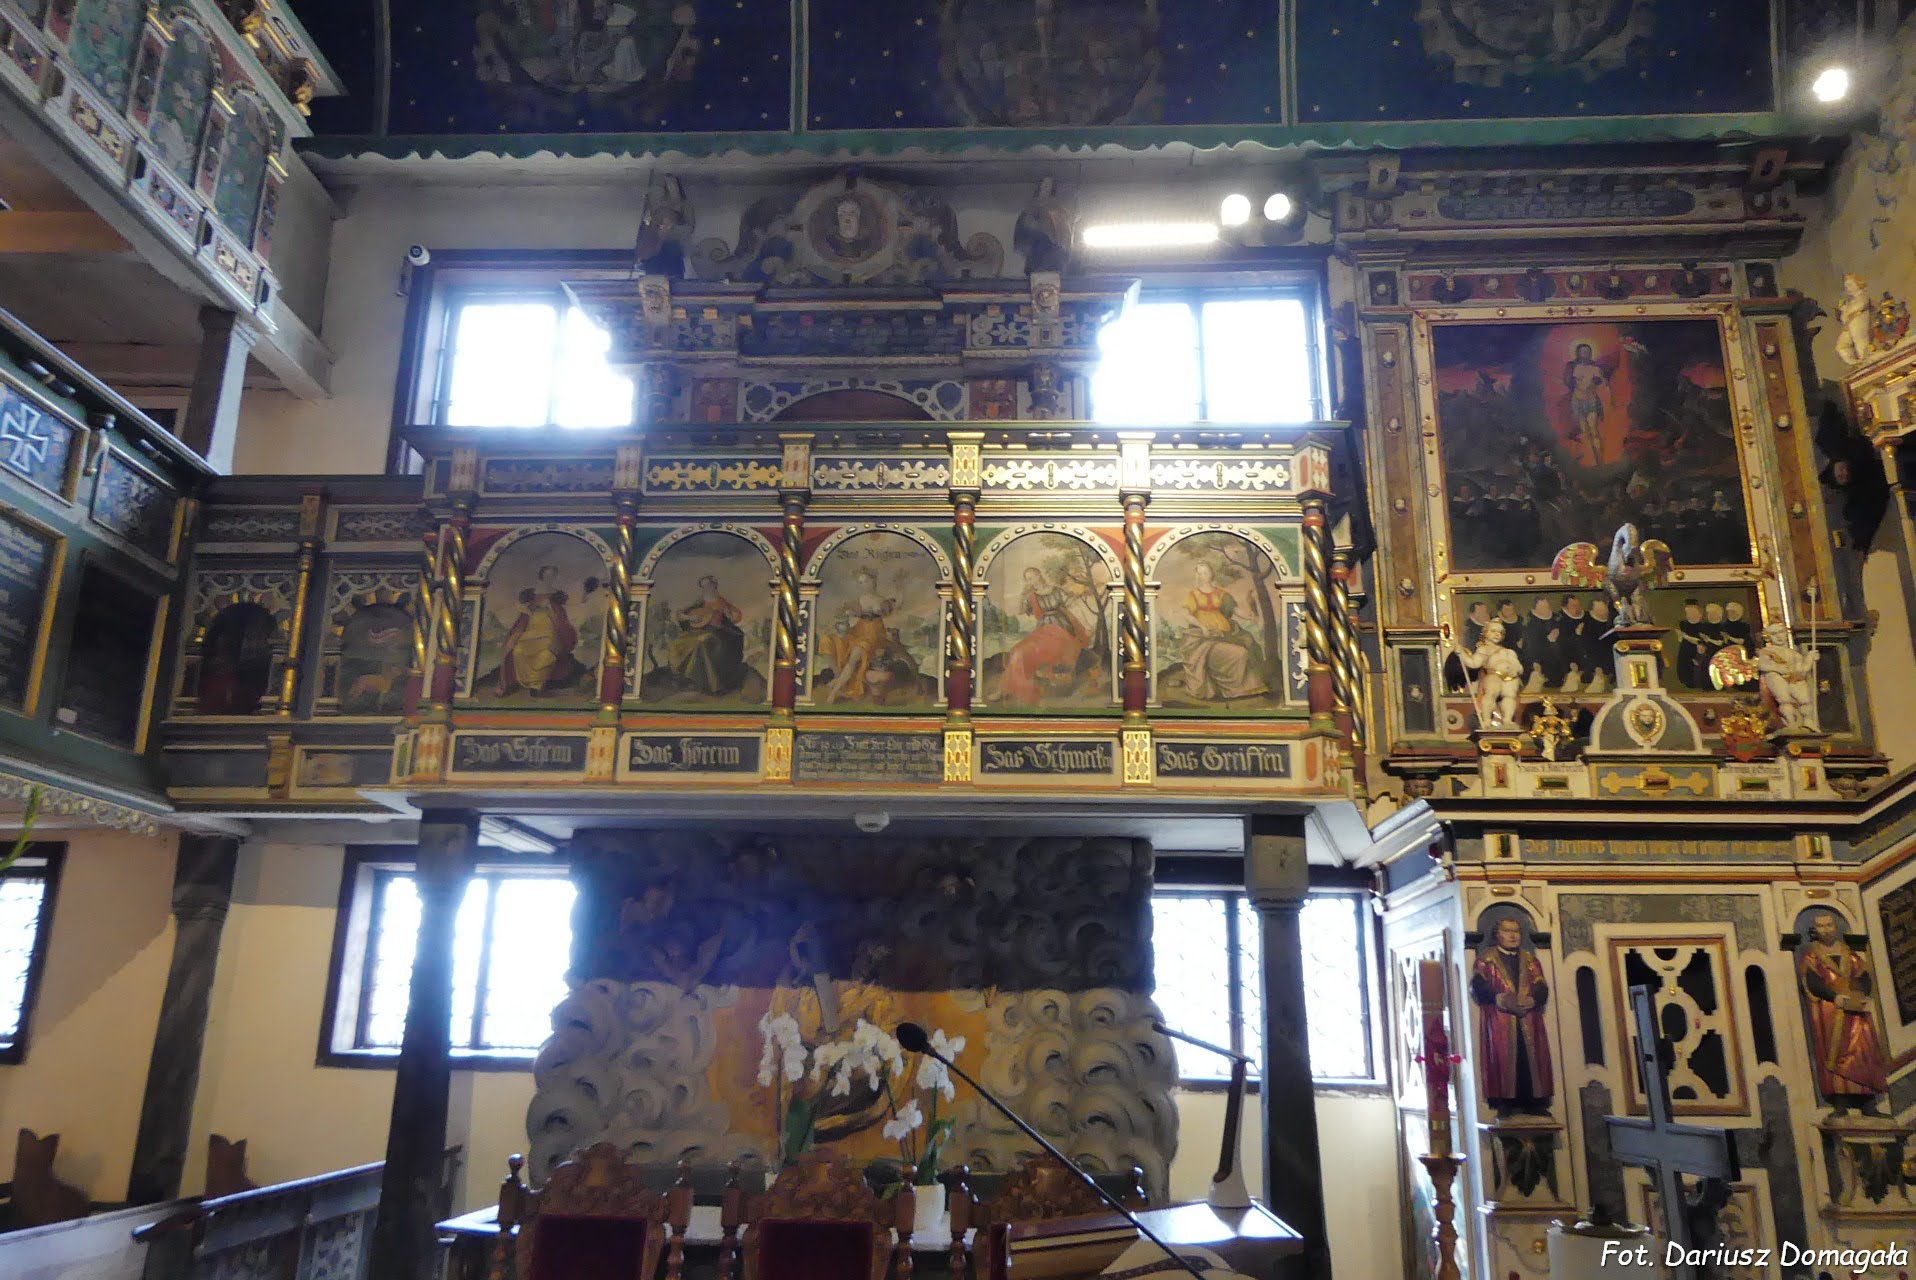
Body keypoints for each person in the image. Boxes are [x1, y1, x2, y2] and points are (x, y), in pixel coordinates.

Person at [1798, 912, 1888, 1111]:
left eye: (1829, 925)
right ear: (1815, 930)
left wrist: (1861, 995)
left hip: (1854, 1012)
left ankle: (1867, 1100)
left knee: (1863, 1051)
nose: (1826, 930)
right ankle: (1840, 1101)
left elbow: (1863, 976)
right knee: (1833, 1053)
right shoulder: (1811, 955)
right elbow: (1812, 982)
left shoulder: (1849, 953)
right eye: (1821, 926)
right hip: (1829, 1011)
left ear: (1835, 927)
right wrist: (1834, 997)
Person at [1470, 916, 1554, 1115]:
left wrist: (1534, 999)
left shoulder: (1530, 959)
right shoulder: (1486, 959)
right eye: (1507, 931)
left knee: (1531, 1059)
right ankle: (1505, 1103)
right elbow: (1477, 986)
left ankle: (1534, 1102)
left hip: (1528, 1018)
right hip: (1501, 1020)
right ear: (1497, 934)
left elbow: (1541, 985)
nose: (1513, 935)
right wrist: (1499, 998)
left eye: (1516, 931)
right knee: (1504, 1059)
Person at [1000, 565, 1093, 705]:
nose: (1031, 581)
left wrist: (1086, 625)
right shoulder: (1031, 596)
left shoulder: (1056, 590)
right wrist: (1022, 596)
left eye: (1033, 577)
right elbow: (1020, 612)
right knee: (1018, 651)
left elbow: (1073, 606)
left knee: (1052, 650)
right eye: (1028, 579)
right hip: (1043, 630)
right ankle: (1007, 688)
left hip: (1062, 628)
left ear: (1039, 575)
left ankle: (1053, 679)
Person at [1176, 561, 1266, 701]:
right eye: (1200, 573)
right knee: (1240, 653)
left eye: (1205, 572)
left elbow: (1235, 610)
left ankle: (1242, 688)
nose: (1203, 576)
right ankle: (1234, 689)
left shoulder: (1222, 594)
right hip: (1205, 639)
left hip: (1225, 635)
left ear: (1212, 574)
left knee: (1248, 647)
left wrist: (1249, 615)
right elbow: (1186, 614)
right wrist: (1202, 626)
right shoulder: (1193, 595)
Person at [498, 565, 584, 695]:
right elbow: (523, 619)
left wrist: (550, 610)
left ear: (555, 577)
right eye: (547, 575)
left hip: (548, 633)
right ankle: (522, 682)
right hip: (530, 633)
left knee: (546, 654)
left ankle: (537, 686)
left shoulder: (557, 597)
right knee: (517, 651)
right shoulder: (531, 595)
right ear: (541, 576)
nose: (549, 578)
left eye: (552, 575)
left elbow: (561, 620)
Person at [665, 574, 746, 696]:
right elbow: (680, 614)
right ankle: (681, 677)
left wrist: (726, 616)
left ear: (714, 586)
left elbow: (736, 616)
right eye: (703, 587)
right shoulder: (700, 602)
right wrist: (691, 618)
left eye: (708, 585)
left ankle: (707, 683)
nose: (706, 589)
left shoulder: (721, 602)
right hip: (698, 631)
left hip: (719, 632)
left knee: (701, 642)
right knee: (678, 643)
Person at [1453, 619, 1524, 729]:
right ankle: (1486, 720)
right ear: (1485, 633)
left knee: (1509, 696)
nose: (1497, 634)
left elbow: (1518, 666)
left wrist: (1516, 669)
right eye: (1493, 631)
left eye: (1500, 632)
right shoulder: (1484, 650)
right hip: (1493, 676)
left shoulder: (1509, 652)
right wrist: (1461, 653)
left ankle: (1507, 720)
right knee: (1491, 694)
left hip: (1510, 678)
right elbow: (1474, 663)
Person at [1563, 341, 1613, 466]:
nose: (1585, 354)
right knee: (1585, 433)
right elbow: (1568, 382)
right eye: (1582, 351)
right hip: (1577, 402)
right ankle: (1592, 460)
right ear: (1578, 353)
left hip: (1591, 402)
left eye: (1587, 351)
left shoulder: (1595, 368)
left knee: (1594, 430)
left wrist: (1599, 385)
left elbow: (1604, 384)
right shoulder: (1572, 367)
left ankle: (1600, 460)